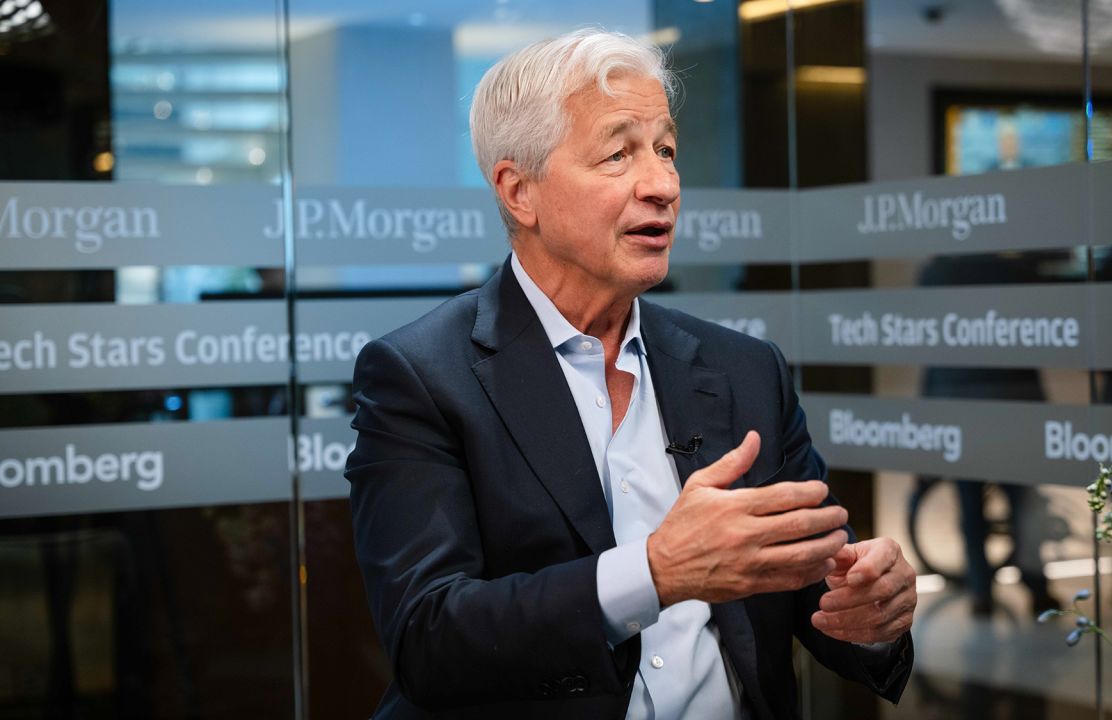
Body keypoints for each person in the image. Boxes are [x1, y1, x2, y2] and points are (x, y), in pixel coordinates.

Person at [345, 29, 916, 719]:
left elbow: (812, 589)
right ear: (519, 191)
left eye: (667, 150)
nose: (663, 184)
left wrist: (869, 611)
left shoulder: (744, 370)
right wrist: (656, 573)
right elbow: (428, 639)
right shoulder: (420, 377)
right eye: (619, 154)